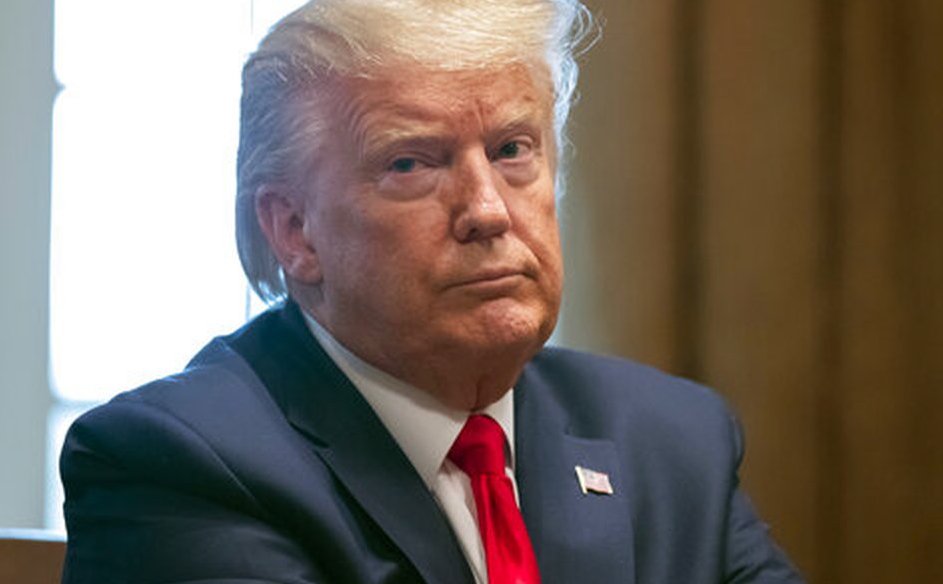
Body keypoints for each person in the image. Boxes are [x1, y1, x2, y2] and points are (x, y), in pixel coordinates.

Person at [59, 1, 804, 582]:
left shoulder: (670, 440)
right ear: (294, 230)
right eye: (413, 163)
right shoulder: (182, 462)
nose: (487, 209)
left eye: (513, 150)